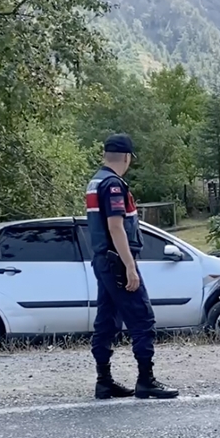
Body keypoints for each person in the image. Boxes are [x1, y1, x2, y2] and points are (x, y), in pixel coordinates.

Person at [86, 134, 179, 400]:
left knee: (106, 321)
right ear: (127, 158)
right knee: (142, 319)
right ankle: (146, 381)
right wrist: (129, 266)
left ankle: (104, 382)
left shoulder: (96, 182)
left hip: (103, 261)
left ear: (105, 154)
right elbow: (116, 226)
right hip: (117, 262)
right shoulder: (114, 185)